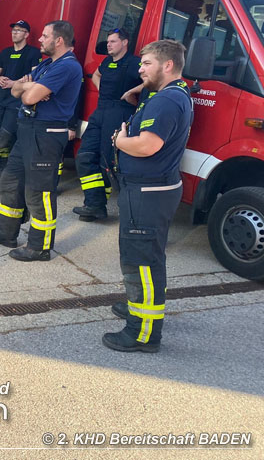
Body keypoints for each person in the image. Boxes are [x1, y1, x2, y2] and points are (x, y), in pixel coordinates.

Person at [103, 40, 193, 353]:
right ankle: (137, 306)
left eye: (147, 64)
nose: (140, 69)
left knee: (142, 261)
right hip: (150, 189)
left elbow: (147, 145)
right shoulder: (170, 94)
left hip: (148, 192)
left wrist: (120, 140)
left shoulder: (167, 100)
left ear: (167, 66)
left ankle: (142, 333)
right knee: (146, 257)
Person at [0, 21, 81, 262]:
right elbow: (16, 91)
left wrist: (29, 88)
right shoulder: (47, 64)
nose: (40, 39)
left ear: (59, 40)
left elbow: (29, 95)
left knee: (39, 192)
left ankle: (39, 247)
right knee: (11, 182)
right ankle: (6, 233)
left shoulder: (66, 67)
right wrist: (28, 87)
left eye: (45, 36)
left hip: (45, 135)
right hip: (27, 131)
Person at [73, 28, 142, 221]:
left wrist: (131, 93)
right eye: (108, 41)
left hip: (119, 113)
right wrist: (101, 88)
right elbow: (96, 75)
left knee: (107, 161)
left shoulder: (134, 63)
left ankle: (122, 209)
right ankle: (94, 205)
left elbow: (151, 81)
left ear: (124, 43)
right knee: (85, 156)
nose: (108, 45)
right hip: (101, 110)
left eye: (113, 41)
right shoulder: (106, 62)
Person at [0, 20, 41, 179]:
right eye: (13, 30)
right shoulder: (5, 52)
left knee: (6, 134)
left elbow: (35, 77)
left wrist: (15, 83)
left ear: (26, 34)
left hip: (16, 98)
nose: (14, 33)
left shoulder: (33, 53)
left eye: (19, 30)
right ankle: (0, 167)